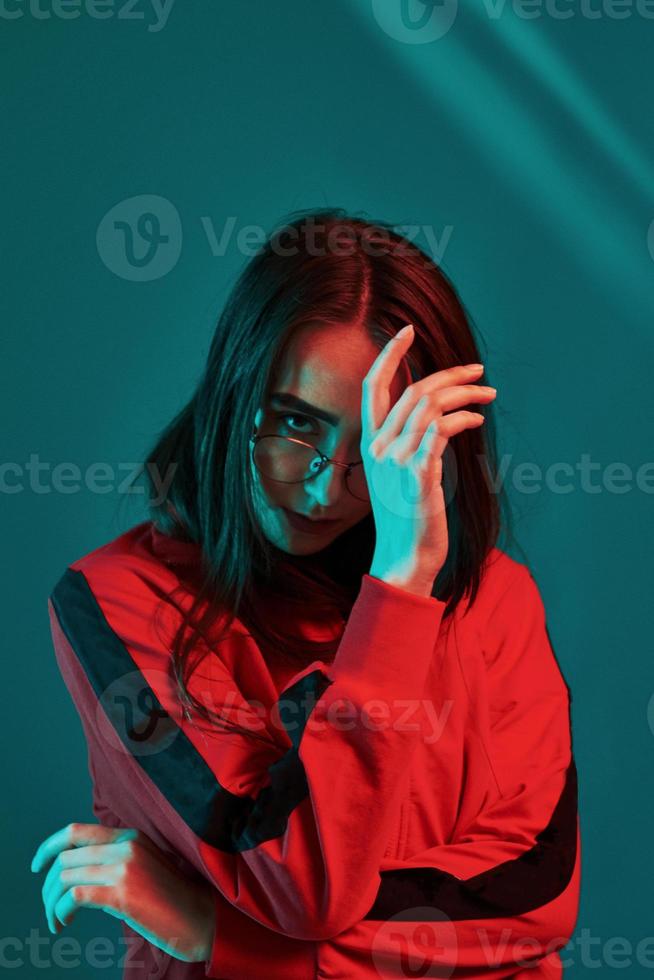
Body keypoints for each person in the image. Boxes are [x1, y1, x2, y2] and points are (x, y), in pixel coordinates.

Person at [32, 209, 580, 979]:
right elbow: (304, 886)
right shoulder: (117, 606)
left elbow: (531, 906)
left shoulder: (496, 601)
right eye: (295, 423)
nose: (327, 486)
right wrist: (398, 592)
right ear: (234, 388)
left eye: (377, 446)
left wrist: (220, 935)